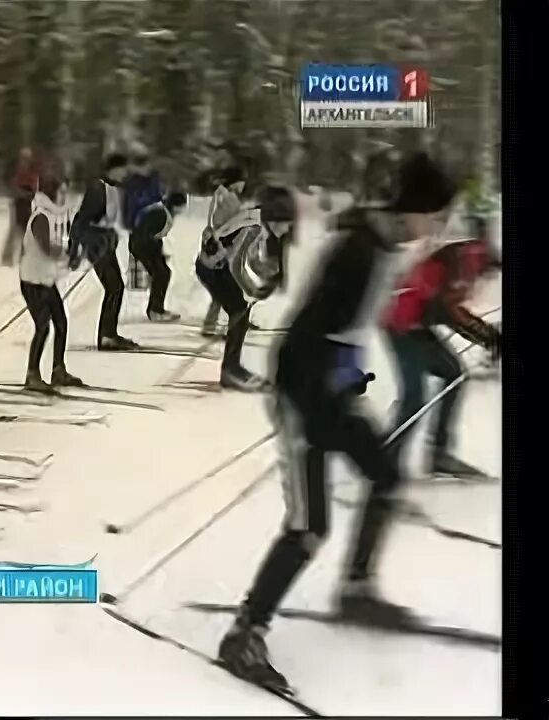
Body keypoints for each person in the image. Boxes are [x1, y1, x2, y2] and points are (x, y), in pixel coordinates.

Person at [217, 152, 457, 694]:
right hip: (302, 396)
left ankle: (355, 587)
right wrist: (319, 399)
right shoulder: (362, 249)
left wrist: (346, 378)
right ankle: (244, 633)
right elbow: (308, 333)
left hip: (329, 392)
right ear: (417, 210)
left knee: (388, 476)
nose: (441, 226)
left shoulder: (382, 243)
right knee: (309, 526)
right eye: (438, 214)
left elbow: (344, 330)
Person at [381, 206, 502, 479]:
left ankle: (438, 454)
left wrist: (487, 336)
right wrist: (487, 336)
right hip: (399, 324)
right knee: (415, 396)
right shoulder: (465, 259)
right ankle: (384, 460)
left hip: (415, 324)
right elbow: (445, 308)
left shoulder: (468, 258)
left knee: (453, 374)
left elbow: (447, 307)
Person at [196, 185, 293, 390]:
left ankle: (232, 367)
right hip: (212, 267)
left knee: (239, 311)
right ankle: (230, 370)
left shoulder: (256, 221)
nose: (286, 230)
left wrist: (264, 277)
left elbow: (248, 259)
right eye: (285, 225)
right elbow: (236, 263)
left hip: (215, 264)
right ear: (276, 220)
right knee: (239, 310)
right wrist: (252, 289)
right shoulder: (254, 227)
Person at [20, 171, 85, 393]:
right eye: (62, 191)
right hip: (33, 281)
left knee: (61, 323)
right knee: (43, 326)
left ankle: (58, 369)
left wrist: (70, 259)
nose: (64, 195)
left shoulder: (51, 215)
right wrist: (68, 252)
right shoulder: (41, 216)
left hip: (45, 279)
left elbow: (53, 252)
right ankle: (32, 374)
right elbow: (46, 247)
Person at [68, 153, 137, 350]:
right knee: (115, 286)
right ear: (113, 169)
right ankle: (107, 336)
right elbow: (81, 220)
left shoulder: (115, 189)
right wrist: (74, 251)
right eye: (123, 170)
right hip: (95, 243)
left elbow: (109, 220)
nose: (126, 174)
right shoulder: (98, 188)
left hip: (105, 242)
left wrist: (112, 236)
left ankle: (108, 334)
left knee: (115, 287)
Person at [127, 190, 187, 322]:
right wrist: (155, 254)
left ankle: (156, 308)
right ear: (177, 205)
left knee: (163, 272)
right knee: (161, 273)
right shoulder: (161, 213)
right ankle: (155, 310)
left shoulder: (161, 211)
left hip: (144, 244)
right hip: (141, 245)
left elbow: (154, 235)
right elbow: (146, 234)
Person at [200, 166, 247, 336]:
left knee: (224, 290)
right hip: (222, 250)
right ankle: (224, 323)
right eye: (242, 182)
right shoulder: (230, 199)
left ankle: (224, 321)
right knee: (225, 291)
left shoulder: (220, 195)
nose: (243, 186)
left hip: (217, 249)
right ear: (235, 183)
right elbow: (229, 224)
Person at [3, 147, 39, 266]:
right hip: (18, 202)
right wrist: (22, 193)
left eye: (26, 158)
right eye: (23, 158)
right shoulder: (18, 171)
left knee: (25, 230)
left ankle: (23, 256)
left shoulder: (31, 171)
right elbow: (13, 188)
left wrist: (29, 193)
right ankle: (7, 257)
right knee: (14, 230)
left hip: (26, 203)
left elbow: (34, 188)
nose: (25, 160)